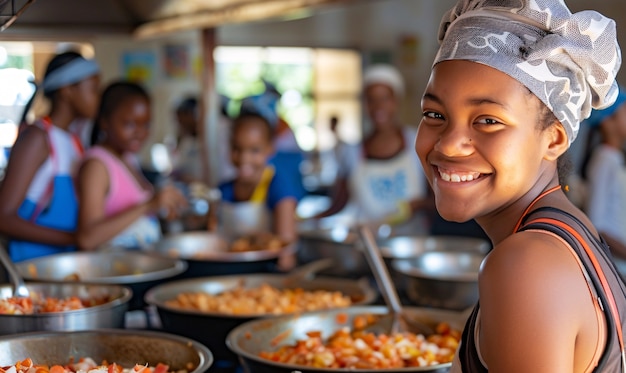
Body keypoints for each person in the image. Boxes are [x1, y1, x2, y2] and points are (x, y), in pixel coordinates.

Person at [416, 0, 626, 371]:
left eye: (487, 120)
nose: (448, 144)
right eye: (435, 115)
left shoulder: (525, 264)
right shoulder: (566, 234)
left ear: (554, 139)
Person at [0, 51, 100, 261]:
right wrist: (74, 239)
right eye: (93, 89)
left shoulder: (73, 140)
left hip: (64, 264)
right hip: (32, 266)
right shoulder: (38, 139)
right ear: (67, 91)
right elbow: (4, 218)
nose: (98, 98)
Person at [316, 64, 432, 232]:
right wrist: (309, 220)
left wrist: (417, 205)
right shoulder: (351, 153)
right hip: (368, 246)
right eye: (371, 99)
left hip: (412, 245)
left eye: (385, 98)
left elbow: (438, 201)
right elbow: (338, 204)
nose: (378, 106)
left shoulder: (418, 142)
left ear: (396, 101)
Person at [76, 81, 186, 251]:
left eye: (146, 124)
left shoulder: (128, 158)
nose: (140, 133)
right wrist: (149, 205)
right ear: (104, 121)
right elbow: (87, 238)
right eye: (129, 124)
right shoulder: (97, 166)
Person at [212, 113, 301, 269]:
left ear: (270, 149)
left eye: (254, 150)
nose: (244, 158)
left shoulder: (278, 188)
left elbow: (286, 255)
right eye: (237, 149)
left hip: (265, 275)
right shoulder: (224, 190)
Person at [582, 89, 626, 259]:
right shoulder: (603, 160)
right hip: (615, 265)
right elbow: (596, 224)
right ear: (608, 121)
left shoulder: (614, 159)